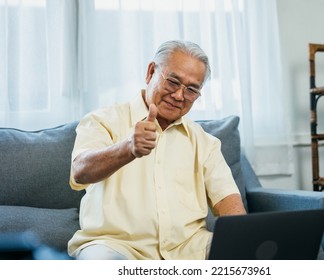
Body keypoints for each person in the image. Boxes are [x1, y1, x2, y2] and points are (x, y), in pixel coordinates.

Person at [68, 40, 246, 260]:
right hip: (116, 247)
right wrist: (128, 148)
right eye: (173, 82)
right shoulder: (102, 120)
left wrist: (243, 242)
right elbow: (80, 171)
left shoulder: (205, 142)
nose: (179, 96)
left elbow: (229, 204)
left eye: (191, 90)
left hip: (190, 249)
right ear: (151, 72)